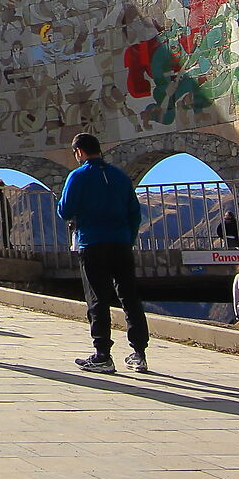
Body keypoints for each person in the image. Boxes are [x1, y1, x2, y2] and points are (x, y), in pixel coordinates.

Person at [58, 132, 147, 373]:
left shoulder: (77, 176)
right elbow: (134, 212)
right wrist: (129, 237)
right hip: (120, 243)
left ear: (79, 152)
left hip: (92, 243)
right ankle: (139, 352)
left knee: (97, 298)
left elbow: (65, 210)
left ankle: (102, 354)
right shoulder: (119, 176)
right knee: (129, 296)